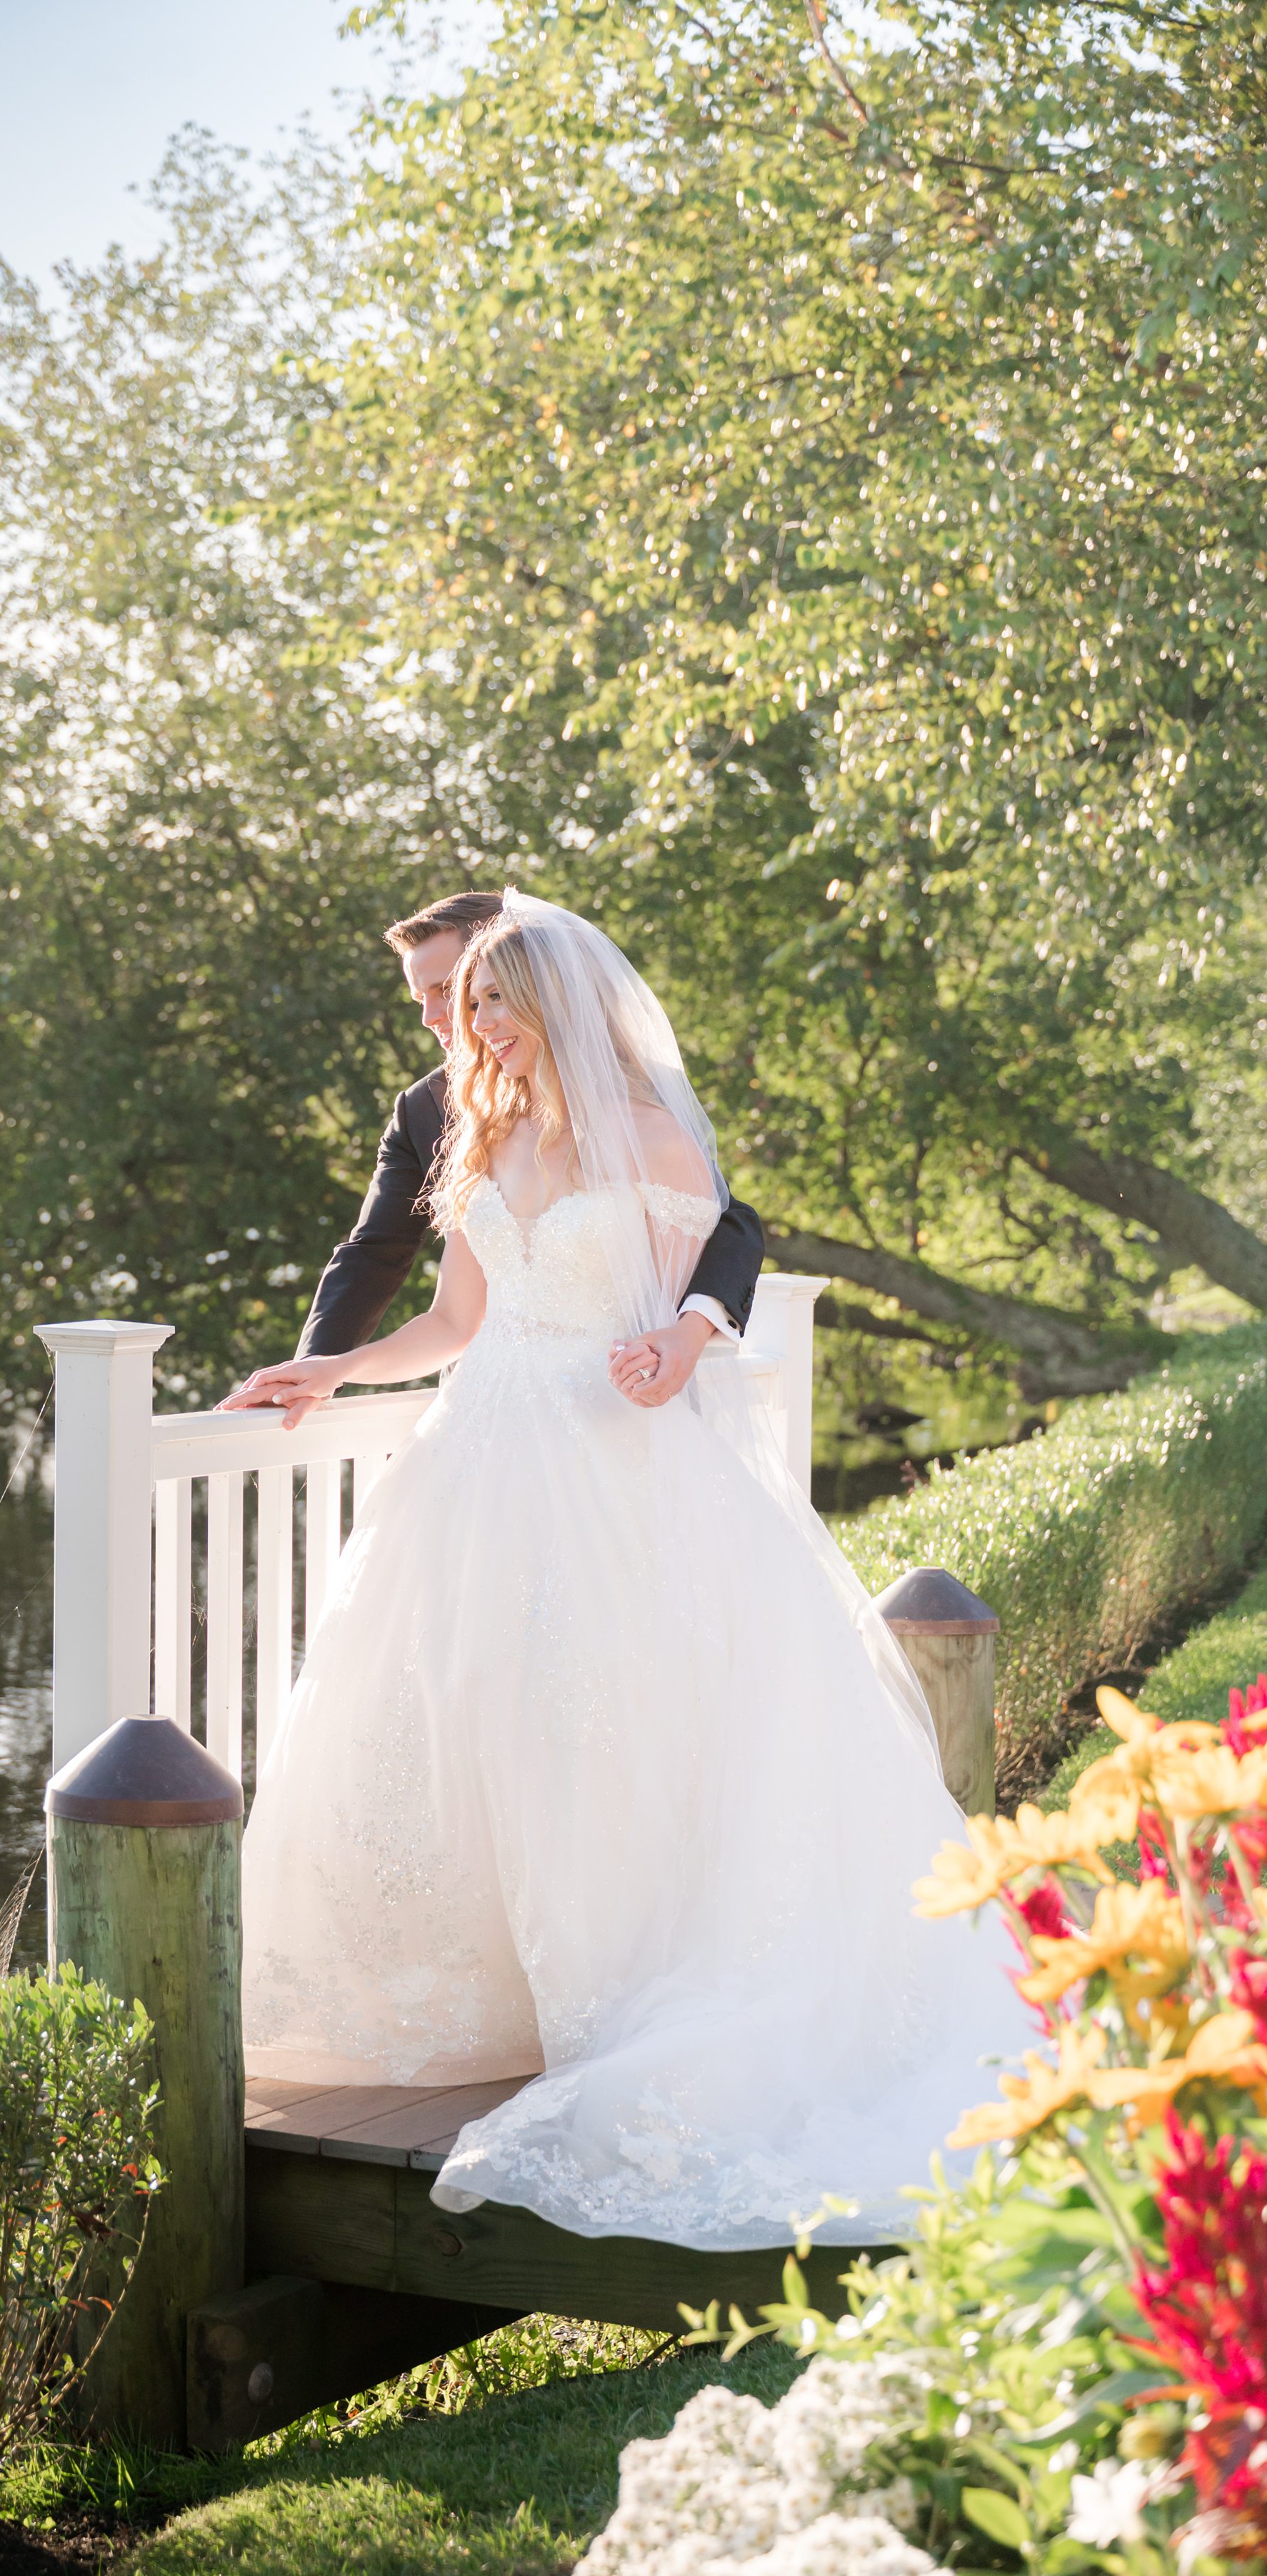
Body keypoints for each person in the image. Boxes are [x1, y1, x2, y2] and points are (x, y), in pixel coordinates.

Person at [225, 893, 1021, 2253]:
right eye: (467, 1004)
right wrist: (337, 1366)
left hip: (614, 1466)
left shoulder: (648, 1131)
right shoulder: (474, 1134)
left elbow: (682, 1299)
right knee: (478, 1714)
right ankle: (514, 1994)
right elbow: (455, 1318)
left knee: (608, 1715)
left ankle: (626, 1990)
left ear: (562, 1010)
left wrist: (683, 1345)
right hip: (478, 1461)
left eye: (495, 1002)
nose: (474, 1026)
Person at [274, 891, 766, 1413]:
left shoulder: (651, 1122)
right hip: (481, 1413)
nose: (443, 1018)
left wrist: (688, 1334)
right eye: (459, 1002)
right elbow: (384, 1262)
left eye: (455, 992)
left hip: (609, 1414)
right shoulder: (459, 1125)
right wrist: (321, 1368)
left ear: (541, 985)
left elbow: (726, 1226)